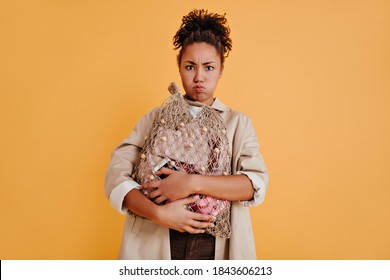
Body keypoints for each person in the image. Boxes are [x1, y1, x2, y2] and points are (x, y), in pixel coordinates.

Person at [105, 9, 268, 260]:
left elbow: (253, 185)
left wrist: (190, 182)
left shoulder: (238, 123)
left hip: (215, 245)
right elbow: (116, 176)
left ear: (221, 70)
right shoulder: (155, 119)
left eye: (209, 67)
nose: (199, 77)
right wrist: (157, 213)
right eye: (190, 66)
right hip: (157, 238)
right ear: (179, 67)